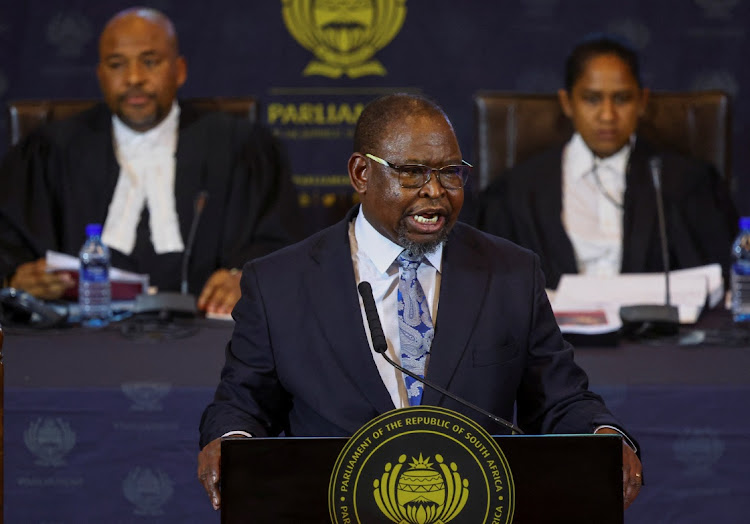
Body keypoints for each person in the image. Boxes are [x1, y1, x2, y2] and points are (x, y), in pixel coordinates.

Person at [197, 93, 643, 511]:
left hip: (475, 507)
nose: (435, 191)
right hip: (331, 507)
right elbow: (242, 403)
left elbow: (559, 399)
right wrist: (230, 440)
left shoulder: (510, 274)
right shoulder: (279, 283)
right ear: (361, 175)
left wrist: (603, 436)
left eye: (450, 172)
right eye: (412, 171)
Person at [0, 7, 300, 314]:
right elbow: (8, 247)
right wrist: (15, 279)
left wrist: (245, 280)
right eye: (117, 65)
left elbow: (283, 245)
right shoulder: (48, 152)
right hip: (80, 339)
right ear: (100, 75)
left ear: (179, 70)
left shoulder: (243, 148)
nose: (134, 78)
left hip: (210, 340)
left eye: (149, 62)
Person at [476, 36, 737, 289]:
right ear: (567, 103)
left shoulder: (688, 182)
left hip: (656, 332)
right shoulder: (517, 190)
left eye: (622, 98)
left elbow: (719, 278)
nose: (607, 115)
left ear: (642, 102)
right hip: (554, 332)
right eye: (592, 98)